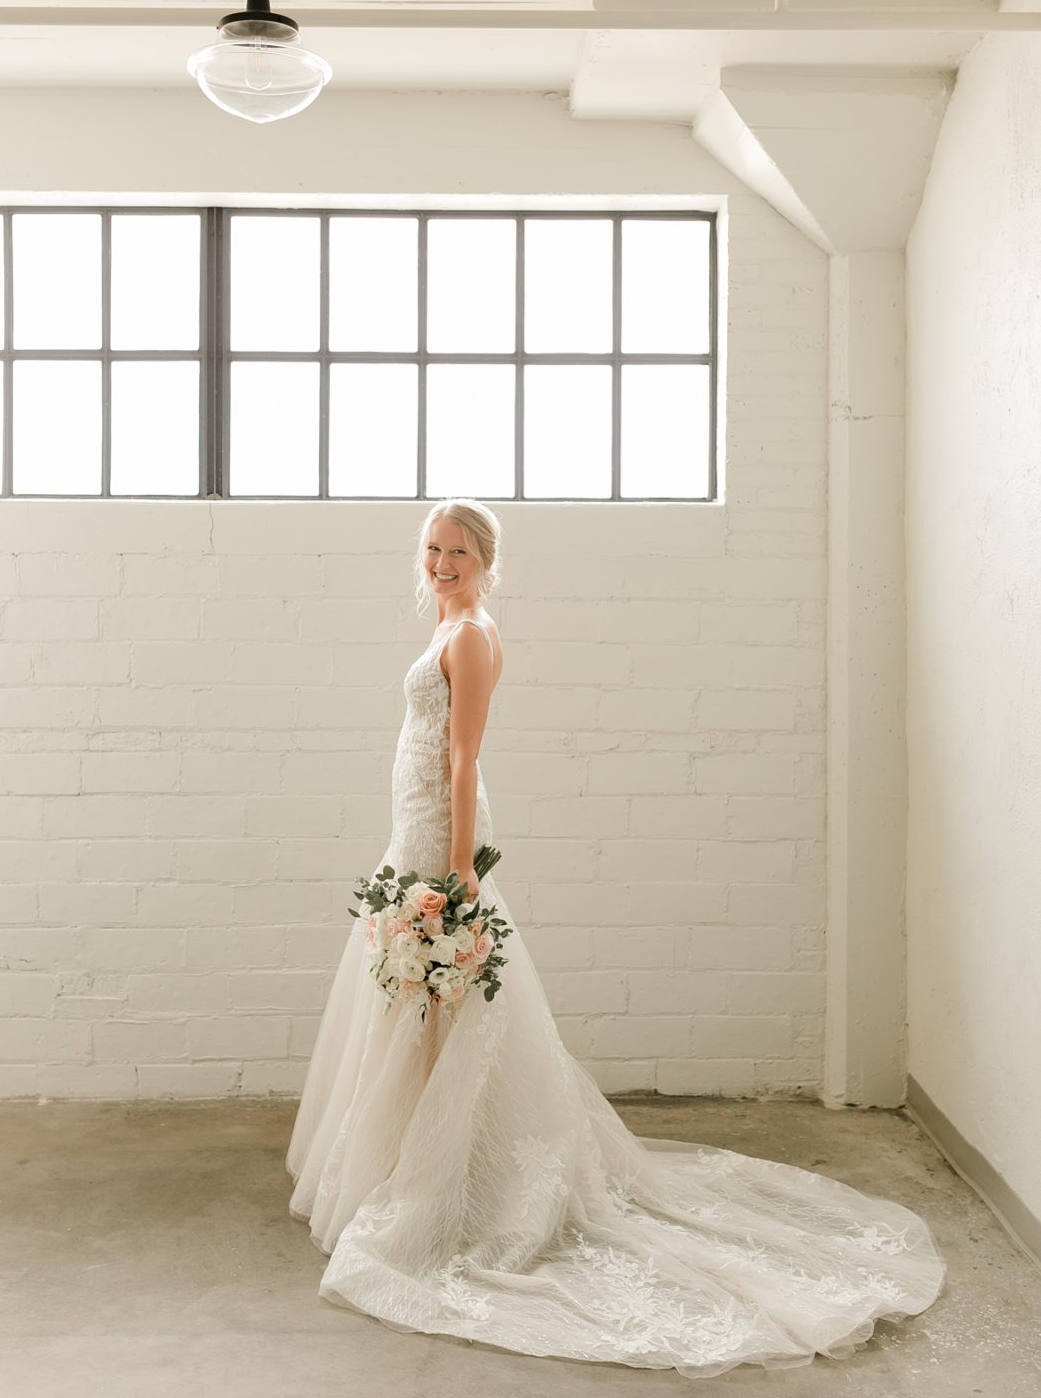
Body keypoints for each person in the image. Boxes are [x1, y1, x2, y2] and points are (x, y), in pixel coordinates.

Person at [286, 497, 945, 1378]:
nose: (441, 562)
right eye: (432, 548)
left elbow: (464, 755)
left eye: (457, 551)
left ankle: (454, 1185)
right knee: (413, 1002)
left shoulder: (473, 634)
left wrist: (457, 870)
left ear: (486, 559)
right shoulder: (445, 623)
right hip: (411, 823)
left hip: (439, 828)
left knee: (446, 999)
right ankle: (412, 1160)